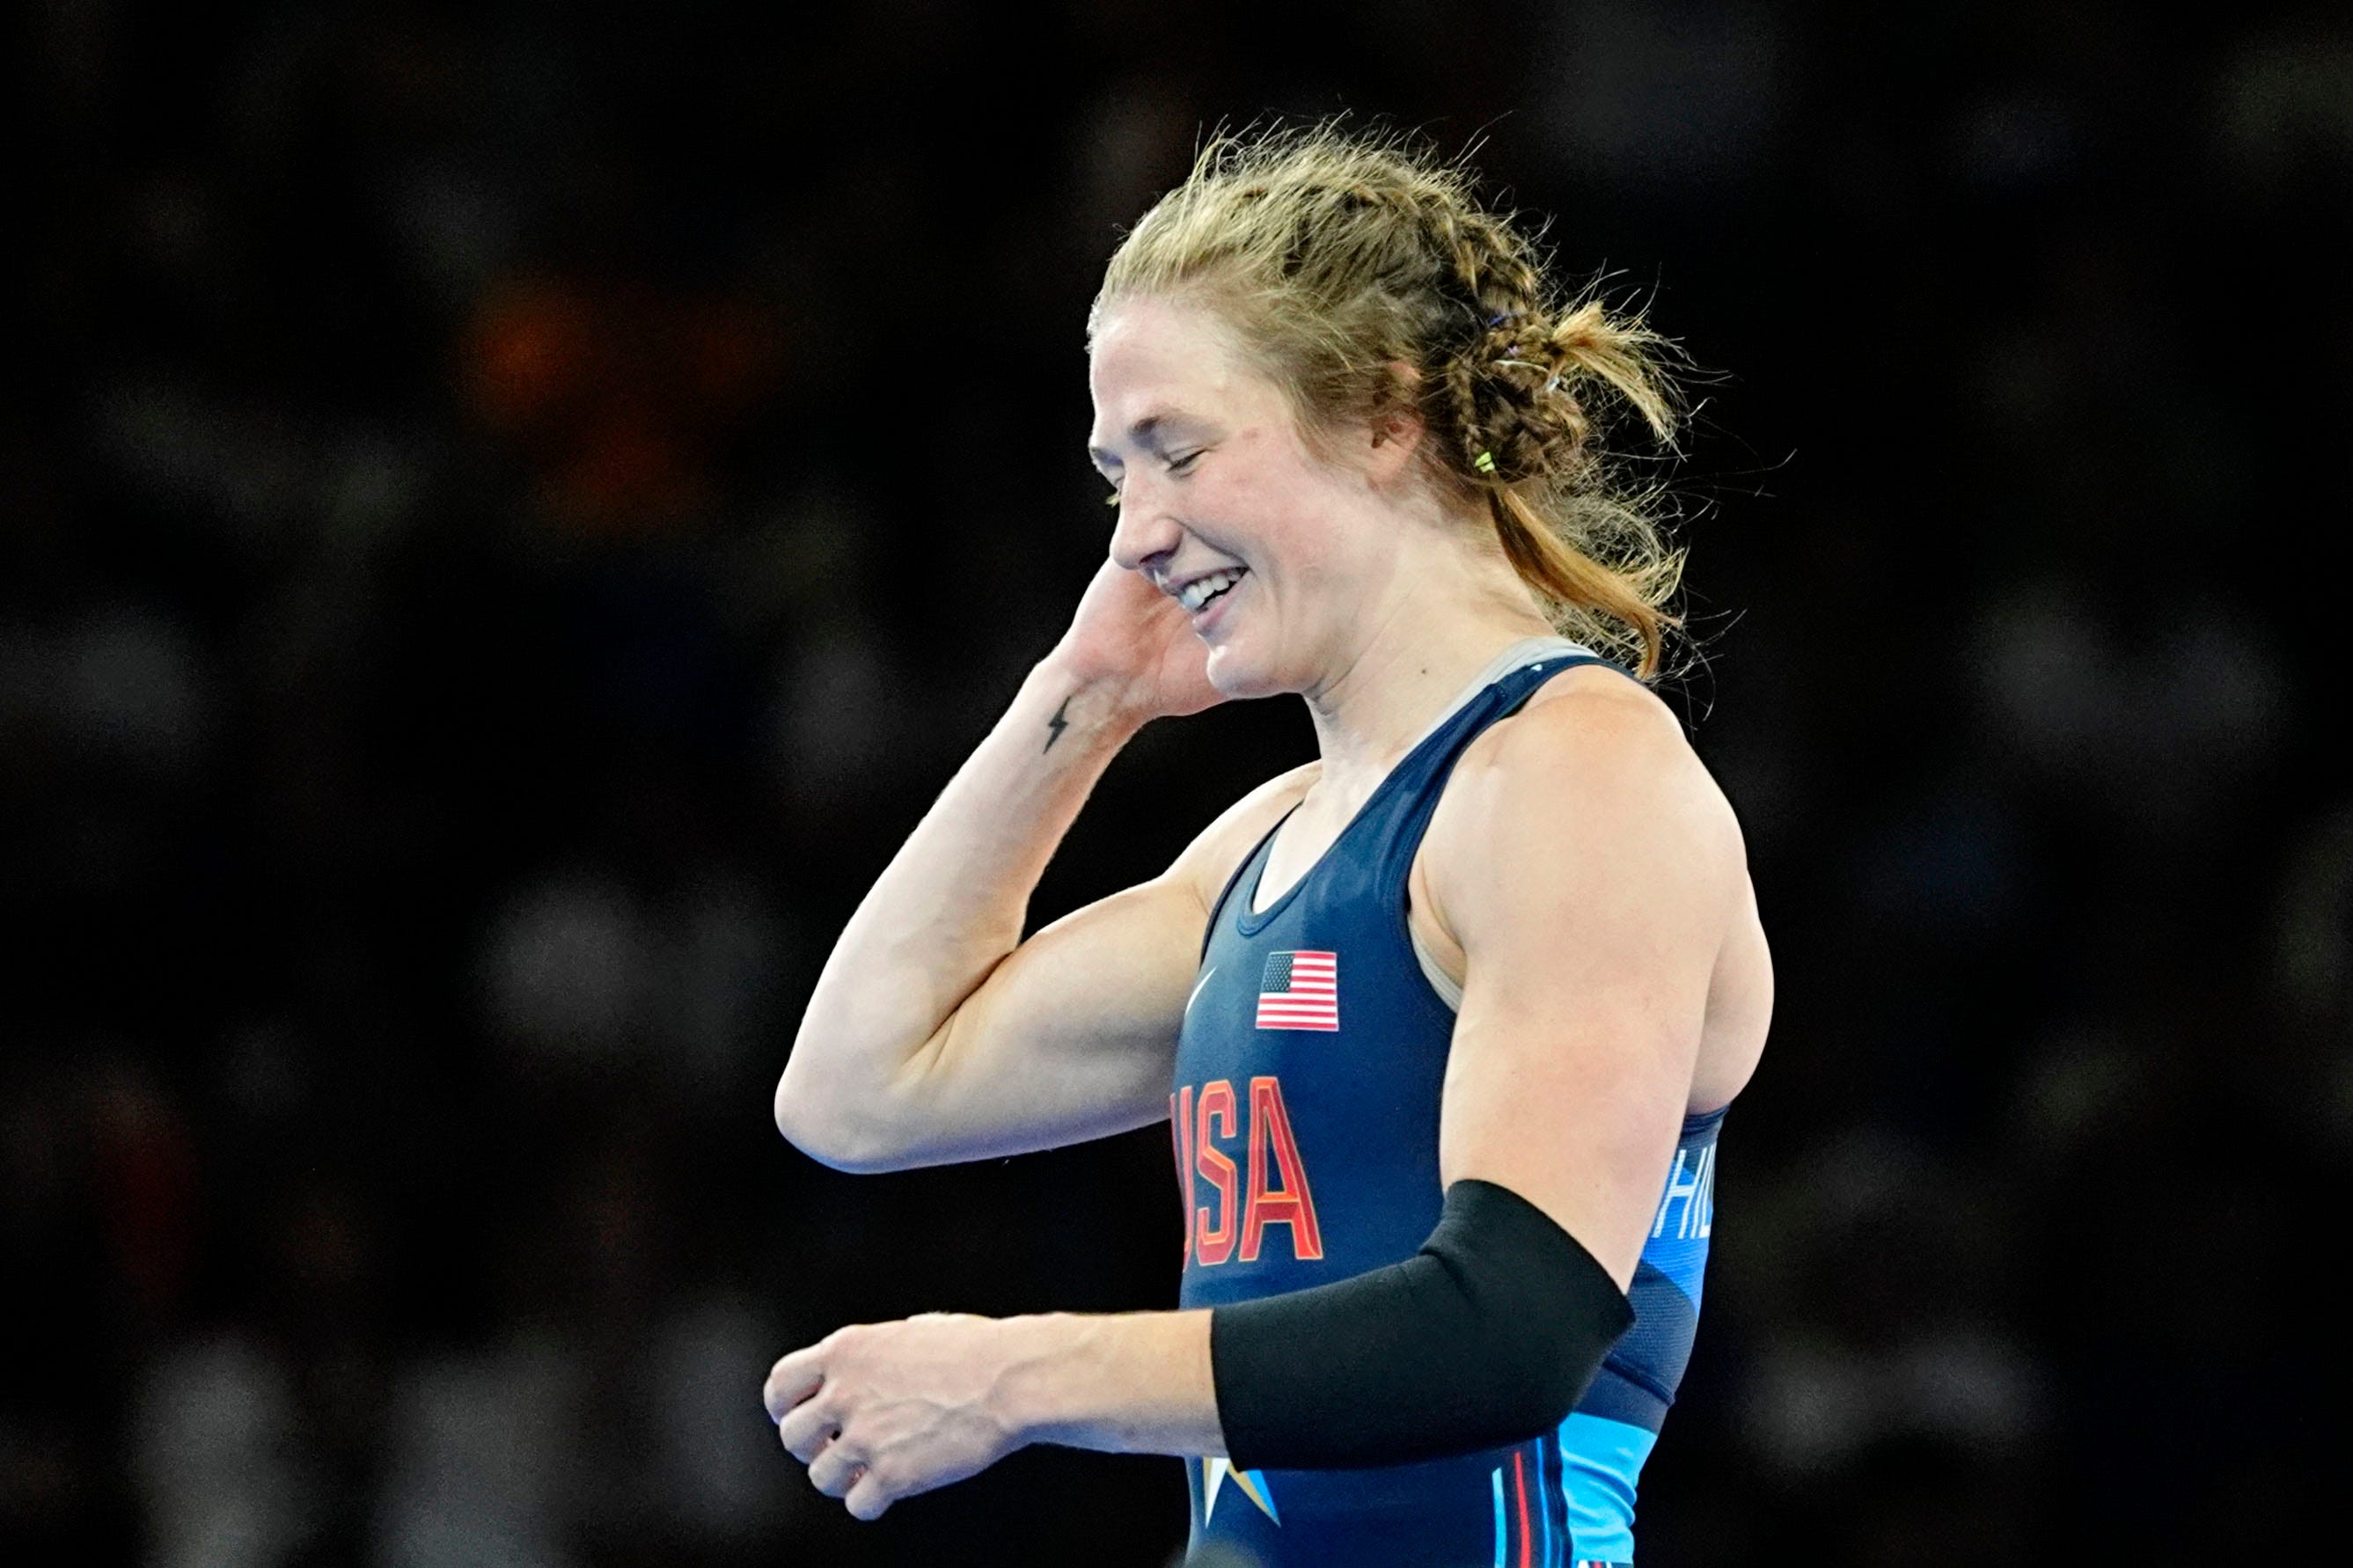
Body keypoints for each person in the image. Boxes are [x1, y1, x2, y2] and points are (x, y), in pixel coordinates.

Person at [763, 125, 1770, 1568]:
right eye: (1115, 475)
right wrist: (1085, 695)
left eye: (1177, 451)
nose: (1136, 537)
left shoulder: (1571, 777)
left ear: (1383, 416)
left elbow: (1509, 1327)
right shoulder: (1274, 842)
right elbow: (860, 1089)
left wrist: (1015, 1376)